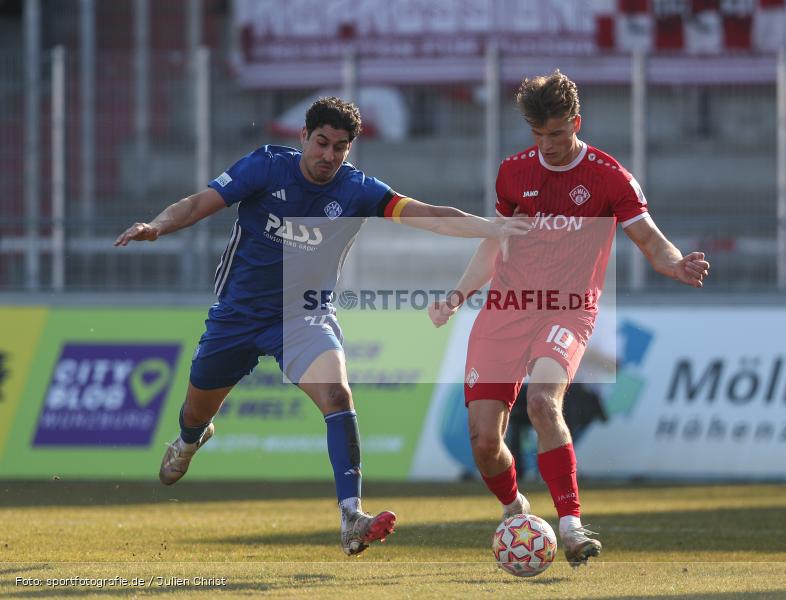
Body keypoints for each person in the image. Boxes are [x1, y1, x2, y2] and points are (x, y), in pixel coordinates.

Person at [114, 97, 529, 557]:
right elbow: (196, 205)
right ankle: (191, 440)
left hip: (304, 316)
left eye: (340, 147)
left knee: (338, 395)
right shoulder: (265, 167)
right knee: (195, 413)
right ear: (303, 138)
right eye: (322, 143)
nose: (329, 156)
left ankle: (352, 517)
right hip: (238, 314)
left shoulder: (358, 190)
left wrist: (492, 228)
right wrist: (155, 226)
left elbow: (429, 215)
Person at [428, 71, 709, 567]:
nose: (547, 146)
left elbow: (649, 239)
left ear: (575, 122)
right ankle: (515, 508)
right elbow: (495, 242)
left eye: (556, 134)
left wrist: (675, 262)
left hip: (567, 309)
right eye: (538, 136)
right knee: (484, 440)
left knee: (542, 401)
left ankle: (572, 527)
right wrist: (456, 295)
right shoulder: (513, 173)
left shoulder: (608, 177)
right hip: (506, 310)